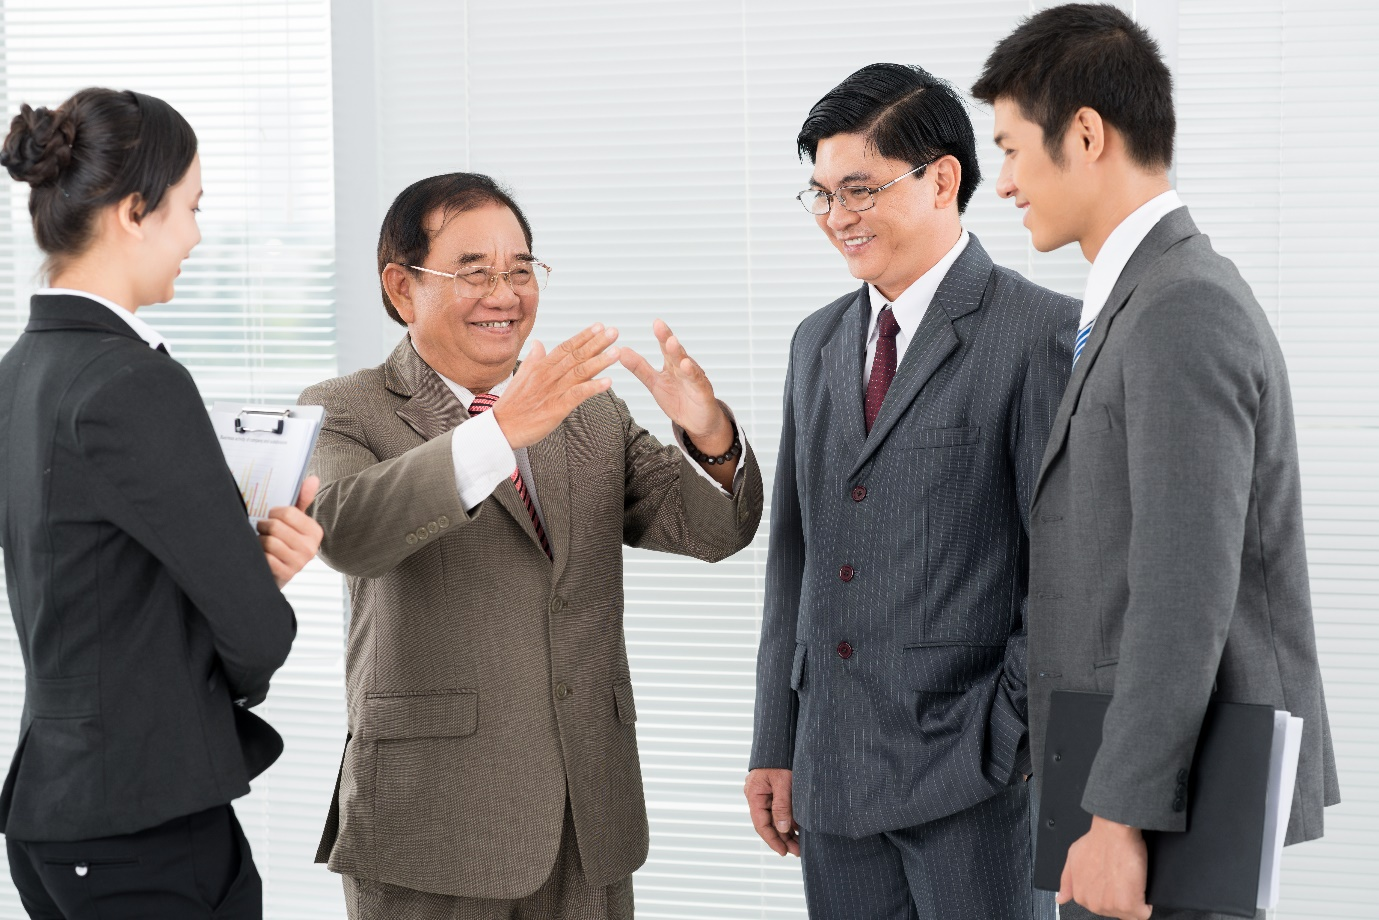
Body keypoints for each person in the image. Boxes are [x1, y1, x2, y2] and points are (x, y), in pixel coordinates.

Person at [302, 172, 763, 919]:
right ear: (401, 287)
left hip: (590, 817)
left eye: (520, 270)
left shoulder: (588, 412)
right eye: (475, 272)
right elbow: (346, 531)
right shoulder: (344, 408)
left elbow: (712, 530)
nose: (505, 294)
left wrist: (709, 436)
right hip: (433, 825)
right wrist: (497, 434)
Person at [971, 6, 1340, 920]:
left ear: (1083, 134)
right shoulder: (1140, 300)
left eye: (1010, 150)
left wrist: (1116, 820)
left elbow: (1183, 587)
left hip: (1159, 811)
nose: (1002, 183)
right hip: (1126, 783)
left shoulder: (1180, 307)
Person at [746, 63, 1077, 920]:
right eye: (821, 195)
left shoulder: (1041, 334)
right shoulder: (815, 342)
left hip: (974, 782)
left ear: (941, 180)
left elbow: (1066, 572)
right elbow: (793, 556)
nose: (836, 217)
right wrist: (776, 740)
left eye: (859, 189)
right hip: (829, 779)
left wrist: (1008, 739)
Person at [0, 88, 322, 919]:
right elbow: (257, 633)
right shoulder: (135, 382)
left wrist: (237, 570)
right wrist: (254, 587)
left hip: (57, 820)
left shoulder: (19, 373)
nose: (197, 236)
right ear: (134, 212)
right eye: (191, 207)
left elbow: (96, 592)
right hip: (143, 826)